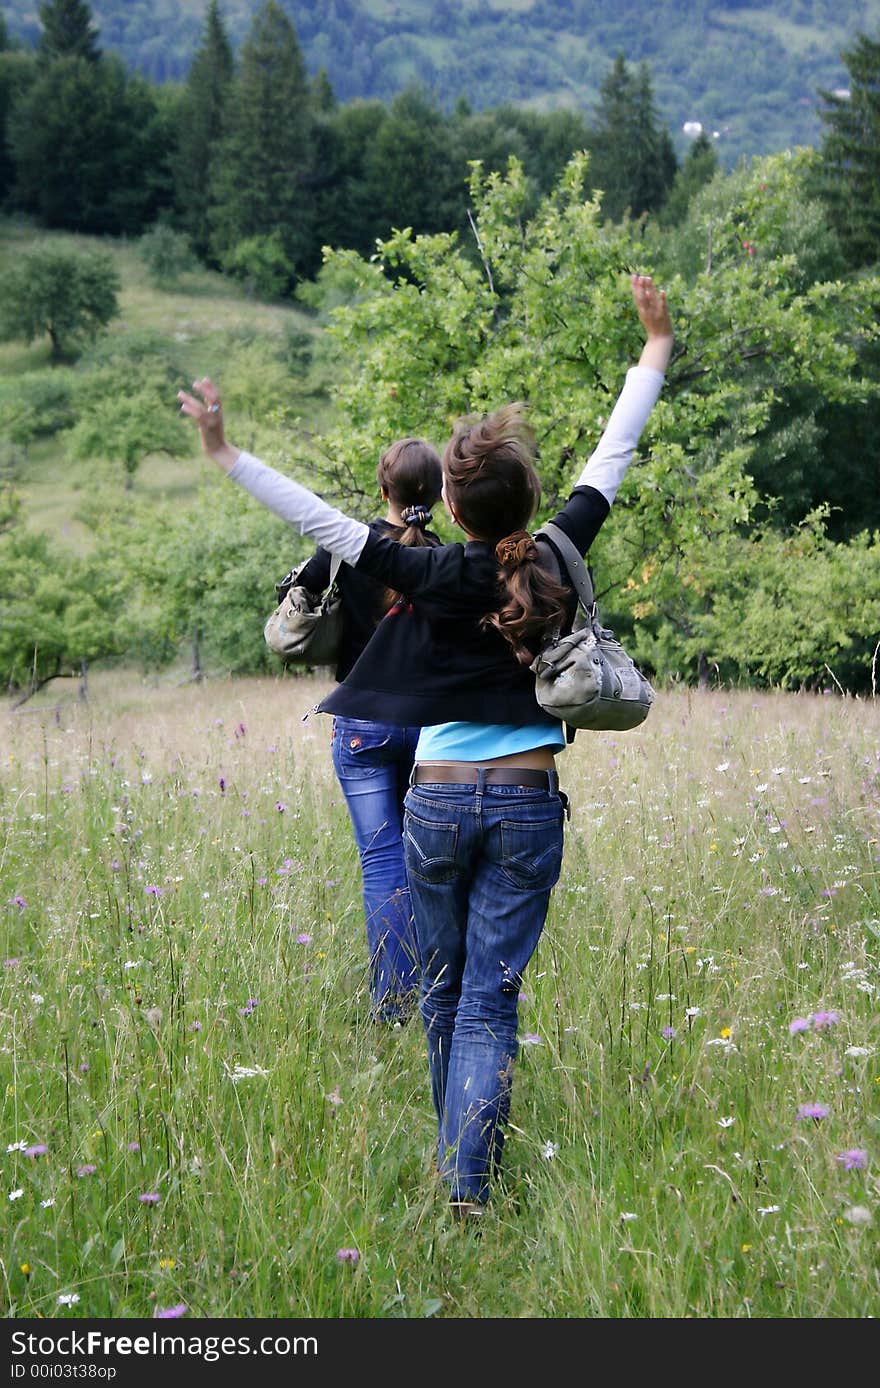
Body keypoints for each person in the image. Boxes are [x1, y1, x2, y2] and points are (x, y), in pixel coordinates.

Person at [179, 274, 673, 1217]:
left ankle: (458, 1171)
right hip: (528, 801)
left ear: (450, 504)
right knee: (489, 1003)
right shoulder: (562, 553)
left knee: (444, 996)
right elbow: (613, 457)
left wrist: (227, 451)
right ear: (528, 499)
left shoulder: (428, 567)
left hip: (435, 798)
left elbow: (319, 520)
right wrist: (652, 349)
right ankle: (468, 1186)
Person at [294, 440, 442, 1023]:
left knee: (382, 865)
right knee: (428, 863)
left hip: (361, 726)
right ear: (437, 494)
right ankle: (439, 993)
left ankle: (394, 1005)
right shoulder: (446, 558)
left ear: (384, 490)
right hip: (431, 728)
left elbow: (296, 601)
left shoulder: (348, 547)